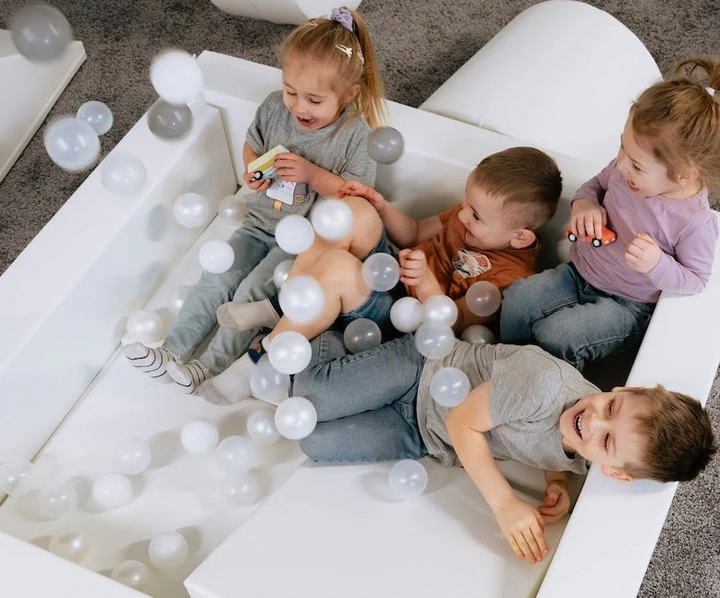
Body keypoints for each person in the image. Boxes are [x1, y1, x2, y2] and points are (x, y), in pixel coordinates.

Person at [123, 6, 387, 393]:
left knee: (251, 292)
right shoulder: (273, 108)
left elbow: (357, 202)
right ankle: (173, 350)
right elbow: (253, 145)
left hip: (304, 245)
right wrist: (252, 171)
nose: (298, 107)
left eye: (314, 100)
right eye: (291, 92)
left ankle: (207, 368)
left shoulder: (355, 136)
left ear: (348, 95)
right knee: (217, 279)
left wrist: (312, 175)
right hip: (260, 222)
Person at [289, 329, 716, 564]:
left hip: (420, 433)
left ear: (615, 471)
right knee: (307, 398)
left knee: (311, 440)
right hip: (423, 372)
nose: (592, 419)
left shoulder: (584, 455)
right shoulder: (544, 383)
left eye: (606, 439)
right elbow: (462, 422)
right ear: (626, 387)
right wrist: (505, 503)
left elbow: (557, 450)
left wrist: (556, 484)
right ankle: (331, 335)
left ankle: (339, 366)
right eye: (610, 405)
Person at [199, 146, 562, 403]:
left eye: (476, 216)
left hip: (401, 321)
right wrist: (381, 205)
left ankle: (255, 362)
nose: (464, 216)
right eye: (466, 205)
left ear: (520, 237)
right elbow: (415, 232)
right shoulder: (471, 213)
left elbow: (451, 328)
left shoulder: (511, 277)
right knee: (352, 211)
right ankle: (284, 306)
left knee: (338, 269)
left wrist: (424, 283)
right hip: (392, 275)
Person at [500, 57, 720, 369]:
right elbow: (595, 185)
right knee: (518, 299)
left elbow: (696, 280)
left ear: (684, 175)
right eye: (622, 148)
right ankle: (502, 365)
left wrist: (657, 264)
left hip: (628, 305)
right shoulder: (624, 170)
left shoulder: (694, 223)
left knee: (558, 335)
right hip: (579, 272)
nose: (622, 165)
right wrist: (585, 203)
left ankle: (544, 391)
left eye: (638, 165)